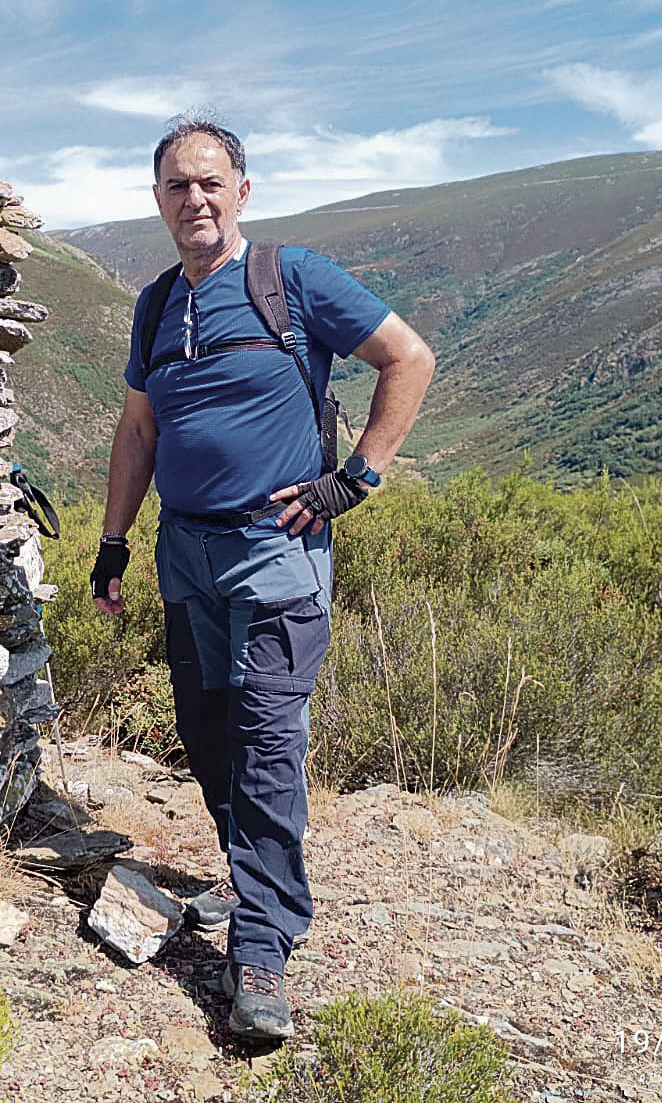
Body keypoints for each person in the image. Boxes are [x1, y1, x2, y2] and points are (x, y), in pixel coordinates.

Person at [90, 115, 435, 1039]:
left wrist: (356, 478)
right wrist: (114, 542)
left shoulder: (294, 279)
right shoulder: (157, 303)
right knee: (206, 733)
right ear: (157, 200)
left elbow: (409, 357)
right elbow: (138, 432)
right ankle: (256, 875)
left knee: (267, 735)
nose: (194, 199)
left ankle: (263, 949)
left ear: (243, 189)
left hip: (275, 549)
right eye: (176, 186)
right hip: (186, 552)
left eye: (210, 182)